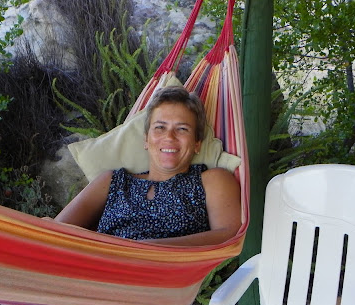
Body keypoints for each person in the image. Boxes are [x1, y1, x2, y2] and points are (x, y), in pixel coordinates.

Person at [55, 86, 241, 246]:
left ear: (197, 144)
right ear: (146, 139)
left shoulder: (212, 181)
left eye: (182, 129)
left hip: (163, 273)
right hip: (102, 268)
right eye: (160, 127)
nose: (169, 137)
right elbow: (53, 232)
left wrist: (146, 249)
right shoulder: (113, 181)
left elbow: (229, 236)